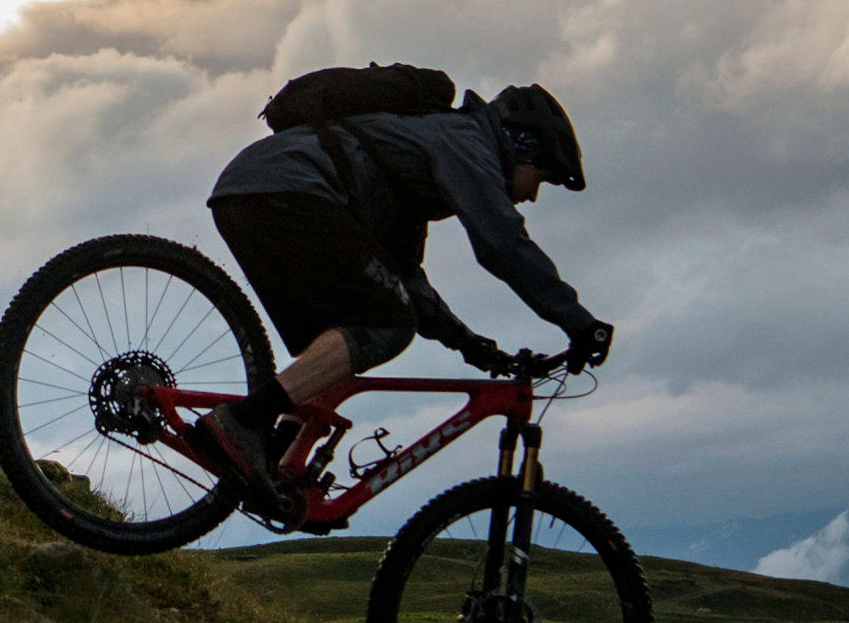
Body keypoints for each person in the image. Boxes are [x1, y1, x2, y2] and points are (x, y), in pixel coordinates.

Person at [197, 81, 614, 521]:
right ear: (522, 148)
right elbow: (503, 243)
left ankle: (267, 460)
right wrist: (579, 323)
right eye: (541, 179)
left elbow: (403, 276)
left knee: (348, 336)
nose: (532, 195)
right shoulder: (464, 141)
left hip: (251, 189)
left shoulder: (420, 158)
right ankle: (243, 422)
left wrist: (468, 343)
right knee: (388, 326)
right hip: (290, 189)